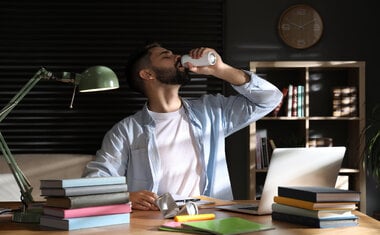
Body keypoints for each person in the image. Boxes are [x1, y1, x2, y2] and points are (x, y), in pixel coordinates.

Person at [82, 42, 283, 210]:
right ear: (147, 74)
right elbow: (94, 182)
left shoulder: (212, 113)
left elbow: (270, 99)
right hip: (154, 223)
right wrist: (126, 196)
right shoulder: (126, 131)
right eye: (166, 56)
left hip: (211, 218)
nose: (178, 56)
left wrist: (221, 69)